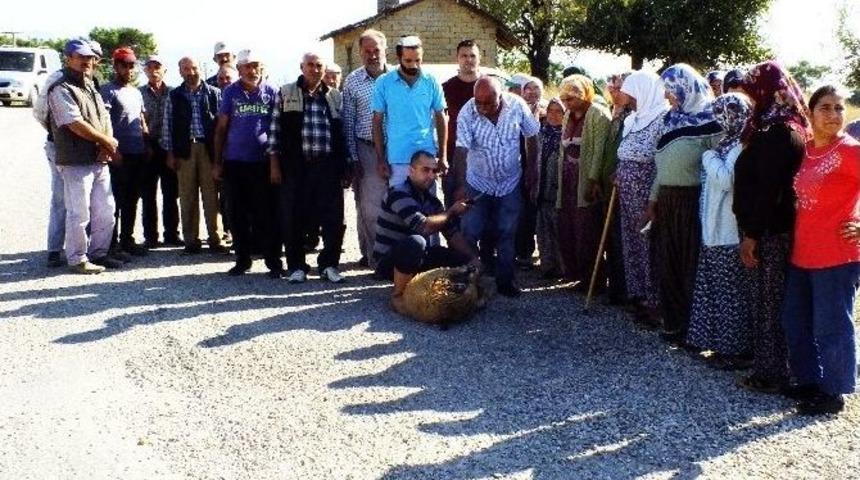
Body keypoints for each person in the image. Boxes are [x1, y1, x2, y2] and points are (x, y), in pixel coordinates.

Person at [780, 85, 860, 415]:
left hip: (837, 253)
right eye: (825, 108)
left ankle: (834, 391)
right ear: (810, 113)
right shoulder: (809, 149)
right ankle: (809, 380)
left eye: (839, 108)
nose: (833, 115)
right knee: (795, 320)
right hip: (803, 251)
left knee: (831, 324)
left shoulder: (850, 150)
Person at [733, 61, 808, 394]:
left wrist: (751, 235)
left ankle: (772, 372)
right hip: (766, 228)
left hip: (769, 232)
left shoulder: (780, 133)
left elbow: (769, 190)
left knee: (770, 300)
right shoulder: (769, 125)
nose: (749, 99)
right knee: (767, 299)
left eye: (752, 92)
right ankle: (769, 366)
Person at [648, 64, 722, 344]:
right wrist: (654, 198)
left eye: (670, 89)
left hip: (693, 201)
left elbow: (720, 157)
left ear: (684, 87)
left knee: (691, 262)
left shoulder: (710, 119)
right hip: (667, 198)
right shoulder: (669, 120)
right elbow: (661, 164)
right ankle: (673, 322)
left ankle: (695, 329)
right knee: (668, 261)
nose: (667, 95)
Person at [454, 76, 540, 297]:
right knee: (470, 230)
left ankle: (505, 281)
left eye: (488, 103)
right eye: (478, 102)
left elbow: (532, 135)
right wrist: (461, 185)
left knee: (507, 231)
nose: (482, 107)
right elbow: (461, 150)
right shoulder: (467, 112)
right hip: (477, 182)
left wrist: (532, 168)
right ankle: (471, 282)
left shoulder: (517, 105)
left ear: (500, 96)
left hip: (509, 182)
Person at [686, 93, 755, 368]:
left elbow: (727, 180)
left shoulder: (741, 145)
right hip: (713, 229)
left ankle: (736, 351)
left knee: (731, 294)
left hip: (727, 229)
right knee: (716, 290)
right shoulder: (727, 143)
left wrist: (708, 157)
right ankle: (719, 345)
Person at [268, 51, 349, 284]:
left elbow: (341, 133)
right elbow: (274, 131)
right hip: (295, 166)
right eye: (310, 65)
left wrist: (345, 166)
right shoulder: (286, 92)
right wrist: (274, 165)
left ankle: (329, 265)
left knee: (333, 218)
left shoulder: (334, 96)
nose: (315, 69)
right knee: (293, 216)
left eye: (319, 65)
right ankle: (296, 267)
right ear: (301, 67)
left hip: (327, 166)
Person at [47, 39, 120, 274]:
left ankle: (99, 253)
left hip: (99, 158)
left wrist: (106, 143)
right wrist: (104, 140)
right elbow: (73, 123)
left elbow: (104, 116)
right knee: (79, 212)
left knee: (106, 209)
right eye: (80, 57)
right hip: (75, 159)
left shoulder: (89, 84)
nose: (86, 61)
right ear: (68, 58)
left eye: (89, 57)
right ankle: (77, 258)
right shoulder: (61, 87)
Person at [212, 49, 282, 278]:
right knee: (236, 214)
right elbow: (221, 128)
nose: (252, 70)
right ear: (239, 69)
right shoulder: (230, 92)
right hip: (234, 162)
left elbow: (276, 129)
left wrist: (274, 164)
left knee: (266, 213)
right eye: (247, 66)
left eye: (256, 65)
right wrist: (217, 162)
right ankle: (242, 260)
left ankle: (273, 261)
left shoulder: (271, 92)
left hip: (262, 162)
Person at [374, 151, 476, 301]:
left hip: (417, 258)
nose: (430, 175)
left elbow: (452, 234)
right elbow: (423, 227)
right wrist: (452, 211)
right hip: (389, 261)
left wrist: (473, 259)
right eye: (425, 170)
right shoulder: (397, 193)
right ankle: (399, 296)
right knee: (416, 241)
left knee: (461, 259)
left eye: (434, 171)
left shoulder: (432, 201)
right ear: (411, 171)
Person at [615, 71, 668, 326]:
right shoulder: (632, 119)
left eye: (632, 94)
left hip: (646, 193)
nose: (629, 99)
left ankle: (653, 301)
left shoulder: (662, 118)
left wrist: (653, 201)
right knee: (631, 241)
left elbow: (659, 160)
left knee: (647, 243)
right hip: (626, 192)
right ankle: (637, 295)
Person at [161, 56, 225, 255]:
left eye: (194, 68)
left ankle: (216, 239)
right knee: (187, 197)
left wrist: (220, 156)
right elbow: (167, 125)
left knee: (211, 197)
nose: (190, 72)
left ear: (200, 69)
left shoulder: (214, 93)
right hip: (184, 150)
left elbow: (223, 127)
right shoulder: (174, 95)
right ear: (180, 72)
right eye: (186, 69)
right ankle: (191, 241)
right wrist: (170, 153)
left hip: (208, 150)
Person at [555, 75, 612, 288]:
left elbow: (598, 150)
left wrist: (592, 178)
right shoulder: (568, 115)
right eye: (565, 98)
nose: (567, 103)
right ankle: (576, 273)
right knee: (568, 225)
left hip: (585, 179)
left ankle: (593, 279)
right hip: (568, 179)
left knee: (587, 229)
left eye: (571, 98)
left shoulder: (598, 114)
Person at [342, 29, 391, 268]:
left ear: (385, 51)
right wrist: (353, 158)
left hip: (398, 149)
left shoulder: (398, 78)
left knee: (401, 203)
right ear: (360, 53)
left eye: (376, 50)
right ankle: (376, 259)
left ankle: (401, 258)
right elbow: (348, 122)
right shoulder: (352, 81)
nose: (372, 55)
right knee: (371, 207)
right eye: (367, 51)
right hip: (366, 149)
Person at [371, 35, 447, 187]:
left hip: (426, 156)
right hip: (398, 159)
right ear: (399, 58)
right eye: (408, 61)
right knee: (401, 206)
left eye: (418, 60)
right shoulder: (384, 83)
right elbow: (377, 122)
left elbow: (441, 117)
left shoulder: (431, 81)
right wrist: (380, 159)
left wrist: (443, 156)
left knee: (429, 208)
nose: (414, 65)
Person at [101, 47, 149, 260]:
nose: (128, 69)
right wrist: (113, 150)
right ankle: (110, 245)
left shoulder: (136, 92)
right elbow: (103, 123)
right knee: (115, 202)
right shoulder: (108, 91)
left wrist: (147, 143)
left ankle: (127, 240)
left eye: (131, 65)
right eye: (124, 65)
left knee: (132, 199)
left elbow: (141, 119)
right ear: (115, 66)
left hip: (138, 153)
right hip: (119, 155)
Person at [139, 55, 181, 248]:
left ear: (165, 70)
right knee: (148, 195)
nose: (154, 70)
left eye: (158, 67)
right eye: (150, 67)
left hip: (168, 147)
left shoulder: (174, 93)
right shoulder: (138, 93)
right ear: (145, 71)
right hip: (147, 148)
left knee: (171, 194)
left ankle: (172, 234)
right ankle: (151, 237)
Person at [442, 39, 481, 209]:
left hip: (483, 159)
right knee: (453, 208)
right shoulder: (445, 88)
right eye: (464, 55)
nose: (468, 59)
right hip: (453, 158)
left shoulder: (489, 87)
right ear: (457, 58)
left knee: (481, 210)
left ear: (479, 58)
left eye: (472, 55)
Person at [514, 75, 546, 269]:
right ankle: (523, 252)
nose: (532, 92)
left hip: (545, 167)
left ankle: (545, 253)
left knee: (540, 210)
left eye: (536, 88)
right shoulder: (517, 111)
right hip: (522, 166)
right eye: (528, 88)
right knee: (523, 211)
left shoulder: (548, 111)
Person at [534, 97, 564, 278]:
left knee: (559, 229)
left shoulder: (568, 135)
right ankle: (547, 265)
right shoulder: (541, 133)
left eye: (558, 111)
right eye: (551, 110)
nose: (553, 115)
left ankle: (562, 266)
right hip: (541, 187)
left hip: (557, 189)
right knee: (542, 227)